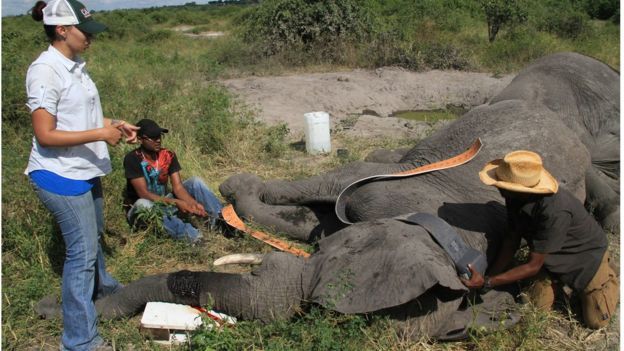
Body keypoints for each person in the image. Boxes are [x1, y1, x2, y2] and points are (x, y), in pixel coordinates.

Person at [26, 1, 139, 350]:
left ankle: (103, 290)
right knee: (82, 254)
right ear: (62, 30)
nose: (90, 37)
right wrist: (100, 135)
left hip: (84, 170)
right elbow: (46, 134)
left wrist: (114, 124)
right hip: (60, 176)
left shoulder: (74, 66)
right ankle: (79, 340)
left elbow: (82, 120)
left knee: (94, 237)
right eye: (84, 31)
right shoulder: (45, 71)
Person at [461, 150, 619, 329]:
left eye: (501, 185)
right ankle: (557, 282)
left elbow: (532, 266)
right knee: (535, 307)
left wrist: (488, 283)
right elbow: (511, 240)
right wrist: (490, 276)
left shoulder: (554, 211)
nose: (498, 188)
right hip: (550, 257)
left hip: (585, 260)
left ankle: (606, 275)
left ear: (520, 190)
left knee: (596, 321)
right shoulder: (515, 198)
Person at [123, 118, 223, 242]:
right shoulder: (132, 159)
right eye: (153, 137)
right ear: (140, 139)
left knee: (195, 182)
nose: (158, 140)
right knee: (143, 203)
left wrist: (192, 204)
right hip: (143, 212)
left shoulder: (168, 155)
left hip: (165, 204)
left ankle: (221, 221)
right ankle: (192, 237)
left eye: (159, 136)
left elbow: (178, 187)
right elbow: (144, 194)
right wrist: (176, 202)